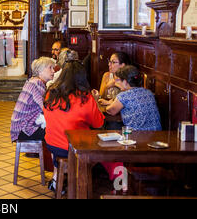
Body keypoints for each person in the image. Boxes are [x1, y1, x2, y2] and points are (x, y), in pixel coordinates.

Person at [43, 61, 105, 192]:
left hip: (52, 144)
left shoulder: (50, 93)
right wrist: (95, 102)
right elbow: (98, 123)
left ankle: (58, 179)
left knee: (63, 141)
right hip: (75, 148)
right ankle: (81, 183)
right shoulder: (85, 97)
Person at [11, 57, 56, 142]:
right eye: (50, 68)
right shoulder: (37, 84)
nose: (53, 71)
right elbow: (45, 109)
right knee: (57, 132)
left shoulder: (33, 81)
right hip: (23, 130)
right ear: (40, 70)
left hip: (19, 127)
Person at [105, 65, 162, 131]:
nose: (116, 83)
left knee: (112, 126)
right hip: (156, 133)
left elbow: (111, 111)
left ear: (125, 82)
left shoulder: (123, 96)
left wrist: (108, 106)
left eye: (119, 80)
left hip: (136, 135)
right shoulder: (148, 92)